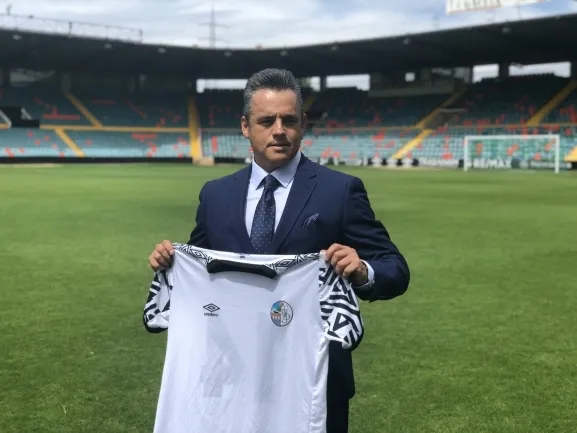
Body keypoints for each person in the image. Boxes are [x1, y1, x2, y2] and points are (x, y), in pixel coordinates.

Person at [148, 68, 410, 433]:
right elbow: (202, 270)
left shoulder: (340, 191)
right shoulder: (215, 195)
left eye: (289, 120)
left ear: (303, 124)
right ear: (245, 126)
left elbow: (395, 267)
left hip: (313, 381)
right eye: (266, 120)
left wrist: (363, 270)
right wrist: (171, 263)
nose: (279, 130)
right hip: (231, 377)